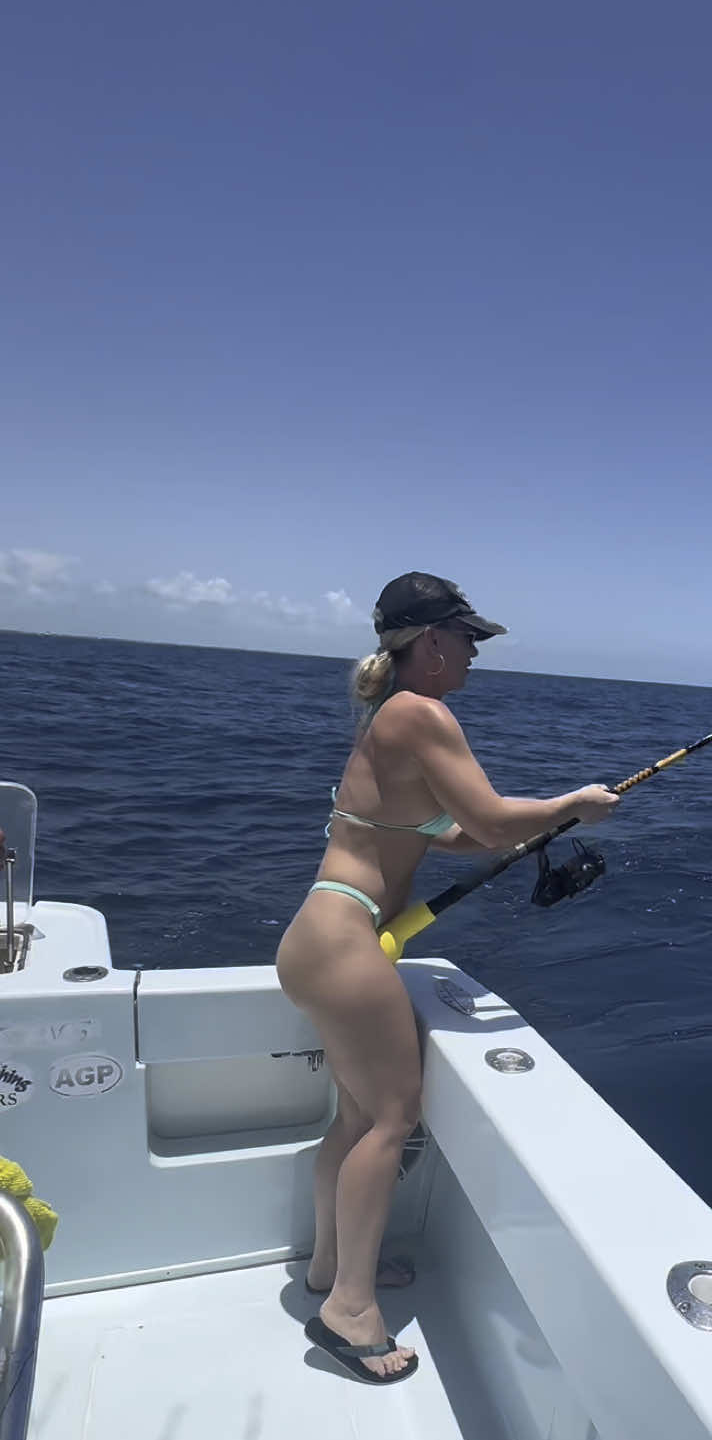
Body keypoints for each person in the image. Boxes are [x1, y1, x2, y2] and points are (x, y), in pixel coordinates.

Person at [276, 572, 618, 1383]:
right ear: (432, 641)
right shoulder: (424, 713)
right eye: (468, 639)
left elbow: (453, 832)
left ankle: (330, 1268)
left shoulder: (384, 715)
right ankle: (350, 1310)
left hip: (323, 934)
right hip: (346, 940)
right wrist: (574, 802)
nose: (473, 654)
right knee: (392, 1118)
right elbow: (496, 817)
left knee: (357, 1117)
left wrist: (532, 827)